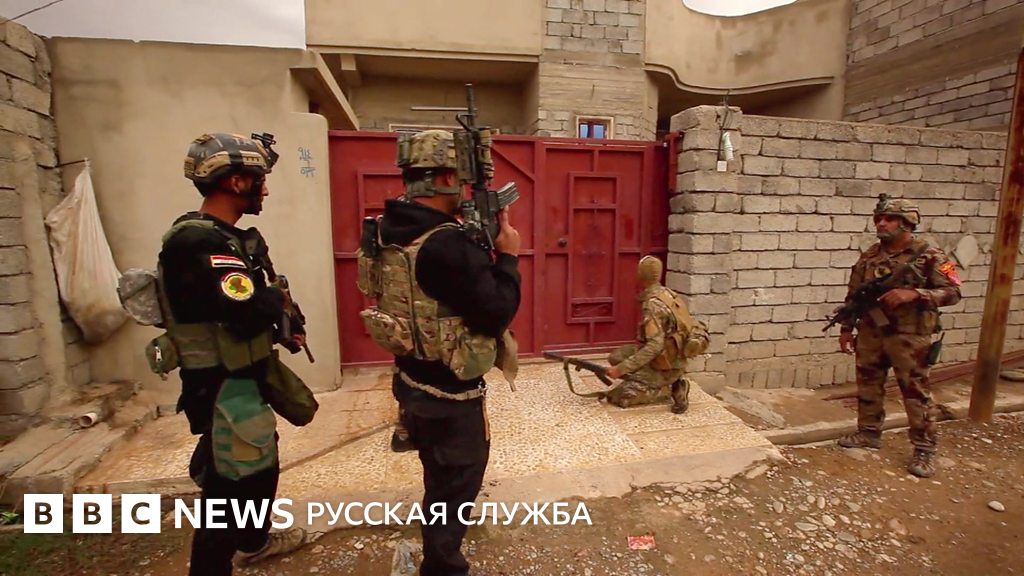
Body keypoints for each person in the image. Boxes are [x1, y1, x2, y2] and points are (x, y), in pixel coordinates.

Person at [356, 129, 521, 576]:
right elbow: (496, 312)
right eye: (461, 179)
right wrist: (508, 258)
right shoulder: (447, 243)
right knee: (457, 484)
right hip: (451, 397)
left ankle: (438, 542)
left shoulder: (383, 228)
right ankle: (443, 565)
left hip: (410, 383)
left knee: (437, 473)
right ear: (447, 177)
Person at [161, 133, 307, 575]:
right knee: (229, 490)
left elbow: (243, 303)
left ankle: (255, 541)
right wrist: (275, 300)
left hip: (240, 375)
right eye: (259, 180)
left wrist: (284, 320)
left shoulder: (225, 238)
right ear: (236, 182)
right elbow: (244, 311)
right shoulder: (198, 242)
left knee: (257, 464)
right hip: (221, 380)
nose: (265, 190)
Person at [836, 195, 961, 478]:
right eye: (879, 219)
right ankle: (868, 432)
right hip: (871, 331)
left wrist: (915, 294)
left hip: (910, 335)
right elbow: (854, 295)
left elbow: (954, 292)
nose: (881, 223)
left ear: (907, 223)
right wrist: (846, 328)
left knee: (915, 392)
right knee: (868, 383)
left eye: (889, 219)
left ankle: (924, 448)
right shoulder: (870, 255)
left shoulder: (930, 255)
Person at [605, 255, 709, 413]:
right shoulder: (667, 293)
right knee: (616, 357)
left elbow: (654, 347)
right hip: (671, 356)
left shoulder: (653, 305)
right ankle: (663, 379)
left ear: (642, 276)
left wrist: (621, 369)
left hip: (666, 362)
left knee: (619, 397)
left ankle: (669, 387)